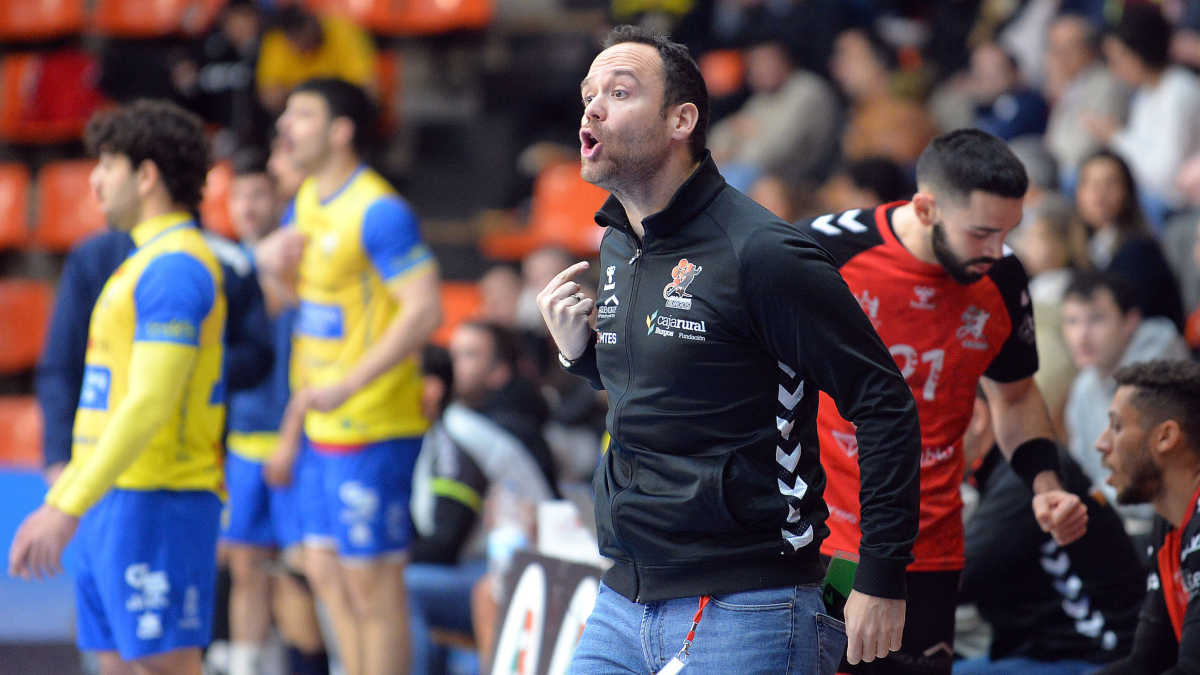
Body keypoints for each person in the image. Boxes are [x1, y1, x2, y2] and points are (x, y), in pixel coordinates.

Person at [547, 25, 923, 675]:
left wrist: (882, 574)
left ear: (681, 120)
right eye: (588, 93)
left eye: (619, 90)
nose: (593, 107)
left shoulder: (766, 253)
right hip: (624, 593)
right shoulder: (615, 244)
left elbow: (884, 402)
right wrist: (582, 357)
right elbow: (673, 385)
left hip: (751, 600)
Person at [798, 129, 1089, 675]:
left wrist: (1046, 486)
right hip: (826, 539)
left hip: (929, 547)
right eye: (982, 232)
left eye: (1009, 232)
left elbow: (1017, 397)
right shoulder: (828, 249)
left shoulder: (999, 277)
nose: (998, 251)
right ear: (927, 207)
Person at [8, 101, 227, 675]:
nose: (95, 180)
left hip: (159, 498)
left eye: (107, 164)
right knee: (113, 663)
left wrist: (65, 505)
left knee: (165, 666)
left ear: (147, 175)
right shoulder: (140, 262)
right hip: (116, 496)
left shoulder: (176, 268)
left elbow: (150, 403)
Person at [255, 77, 441, 675]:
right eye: (285, 112)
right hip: (319, 424)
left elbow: (424, 309)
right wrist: (273, 270)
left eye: (301, 113)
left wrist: (350, 382)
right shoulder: (305, 200)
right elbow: (297, 304)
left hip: (371, 423)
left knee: (373, 588)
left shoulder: (378, 209)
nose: (285, 124)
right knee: (326, 577)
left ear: (340, 131)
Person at [219, 148, 328, 675]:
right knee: (245, 566)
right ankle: (244, 666)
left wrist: (291, 434)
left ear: (276, 201)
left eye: (258, 193)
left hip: (296, 441)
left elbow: (311, 363)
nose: (247, 205)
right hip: (241, 441)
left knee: (296, 571)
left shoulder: (299, 273)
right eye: (238, 195)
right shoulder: (222, 273)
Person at [956, 394, 1144, 675]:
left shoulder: (1025, 478)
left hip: (1090, 657)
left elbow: (958, 576)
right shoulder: (992, 475)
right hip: (1036, 652)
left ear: (978, 416)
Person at [407, 344, 555, 675]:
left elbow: (446, 542)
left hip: (521, 566)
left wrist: (387, 559)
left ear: (431, 388)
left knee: (397, 585)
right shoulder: (442, 427)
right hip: (486, 563)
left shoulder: (458, 435)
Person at [1091, 359, 1200, 674]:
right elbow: (1147, 662)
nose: (1101, 444)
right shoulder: (1169, 522)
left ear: (1165, 436)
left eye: (1117, 426)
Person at [1061, 271, 1189, 531]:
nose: (1081, 336)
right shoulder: (1084, 385)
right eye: (1072, 322)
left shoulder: (1159, 374)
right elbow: (1081, 470)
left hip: (1169, 523)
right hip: (1116, 521)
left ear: (1130, 322)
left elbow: (1150, 487)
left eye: (1096, 319)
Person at [1084, 4, 1200, 219]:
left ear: (1140, 50)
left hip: (1179, 201)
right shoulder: (1145, 94)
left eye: (1119, 58)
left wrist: (1115, 136)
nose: (1114, 68)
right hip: (1156, 195)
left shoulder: (1179, 90)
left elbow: (1164, 176)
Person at [1007, 195, 1090, 440]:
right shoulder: (1037, 285)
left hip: (1058, 388)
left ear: (1063, 243)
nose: (1028, 245)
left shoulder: (1066, 287)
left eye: (1037, 237)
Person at [706, 39, 839, 190]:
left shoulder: (806, 91)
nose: (764, 68)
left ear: (785, 61)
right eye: (756, 63)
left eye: (769, 60)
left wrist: (734, 151)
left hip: (802, 181)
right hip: (759, 175)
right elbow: (723, 135)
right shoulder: (761, 98)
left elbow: (771, 153)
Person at [1072, 151, 1183, 328]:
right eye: (1089, 183)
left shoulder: (1141, 251)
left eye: (1109, 183)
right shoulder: (1075, 251)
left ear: (1127, 191)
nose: (1098, 193)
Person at [447, 321, 559, 495]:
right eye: (452, 353)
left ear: (499, 372)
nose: (452, 364)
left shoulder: (516, 431)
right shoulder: (451, 415)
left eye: (468, 355)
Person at [829, 28, 938, 168]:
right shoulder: (857, 115)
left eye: (849, 58)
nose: (837, 67)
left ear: (880, 64)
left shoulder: (902, 118)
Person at [1042, 14, 1129, 187]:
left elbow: (1083, 149)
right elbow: (1052, 142)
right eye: (1054, 48)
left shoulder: (1106, 84)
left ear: (1090, 50)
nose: (1059, 57)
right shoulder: (1071, 83)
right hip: (1063, 170)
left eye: (1067, 48)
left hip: (1088, 175)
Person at [256, 6, 377, 115]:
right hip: (298, 112)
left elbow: (367, 88)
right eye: (297, 40)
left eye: (307, 38)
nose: (304, 44)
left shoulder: (342, 30)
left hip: (341, 110)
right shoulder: (276, 41)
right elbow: (269, 98)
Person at [969, 42, 1049, 141]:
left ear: (1013, 71)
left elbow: (994, 140)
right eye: (978, 71)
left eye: (992, 72)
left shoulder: (1027, 104)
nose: (981, 79)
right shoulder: (982, 108)